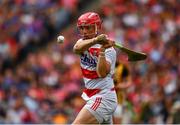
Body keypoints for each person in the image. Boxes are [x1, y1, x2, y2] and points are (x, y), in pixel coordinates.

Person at [72, 12, 118, 124]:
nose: (84, 31)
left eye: (88, 27)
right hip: (94, 95)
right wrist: (95, 40)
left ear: (97, 27)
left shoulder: (109, 50)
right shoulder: (82, 43)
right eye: (82, 28)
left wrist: (102, 51)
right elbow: (76, 49)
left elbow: (102, 73)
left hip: (103, 97)